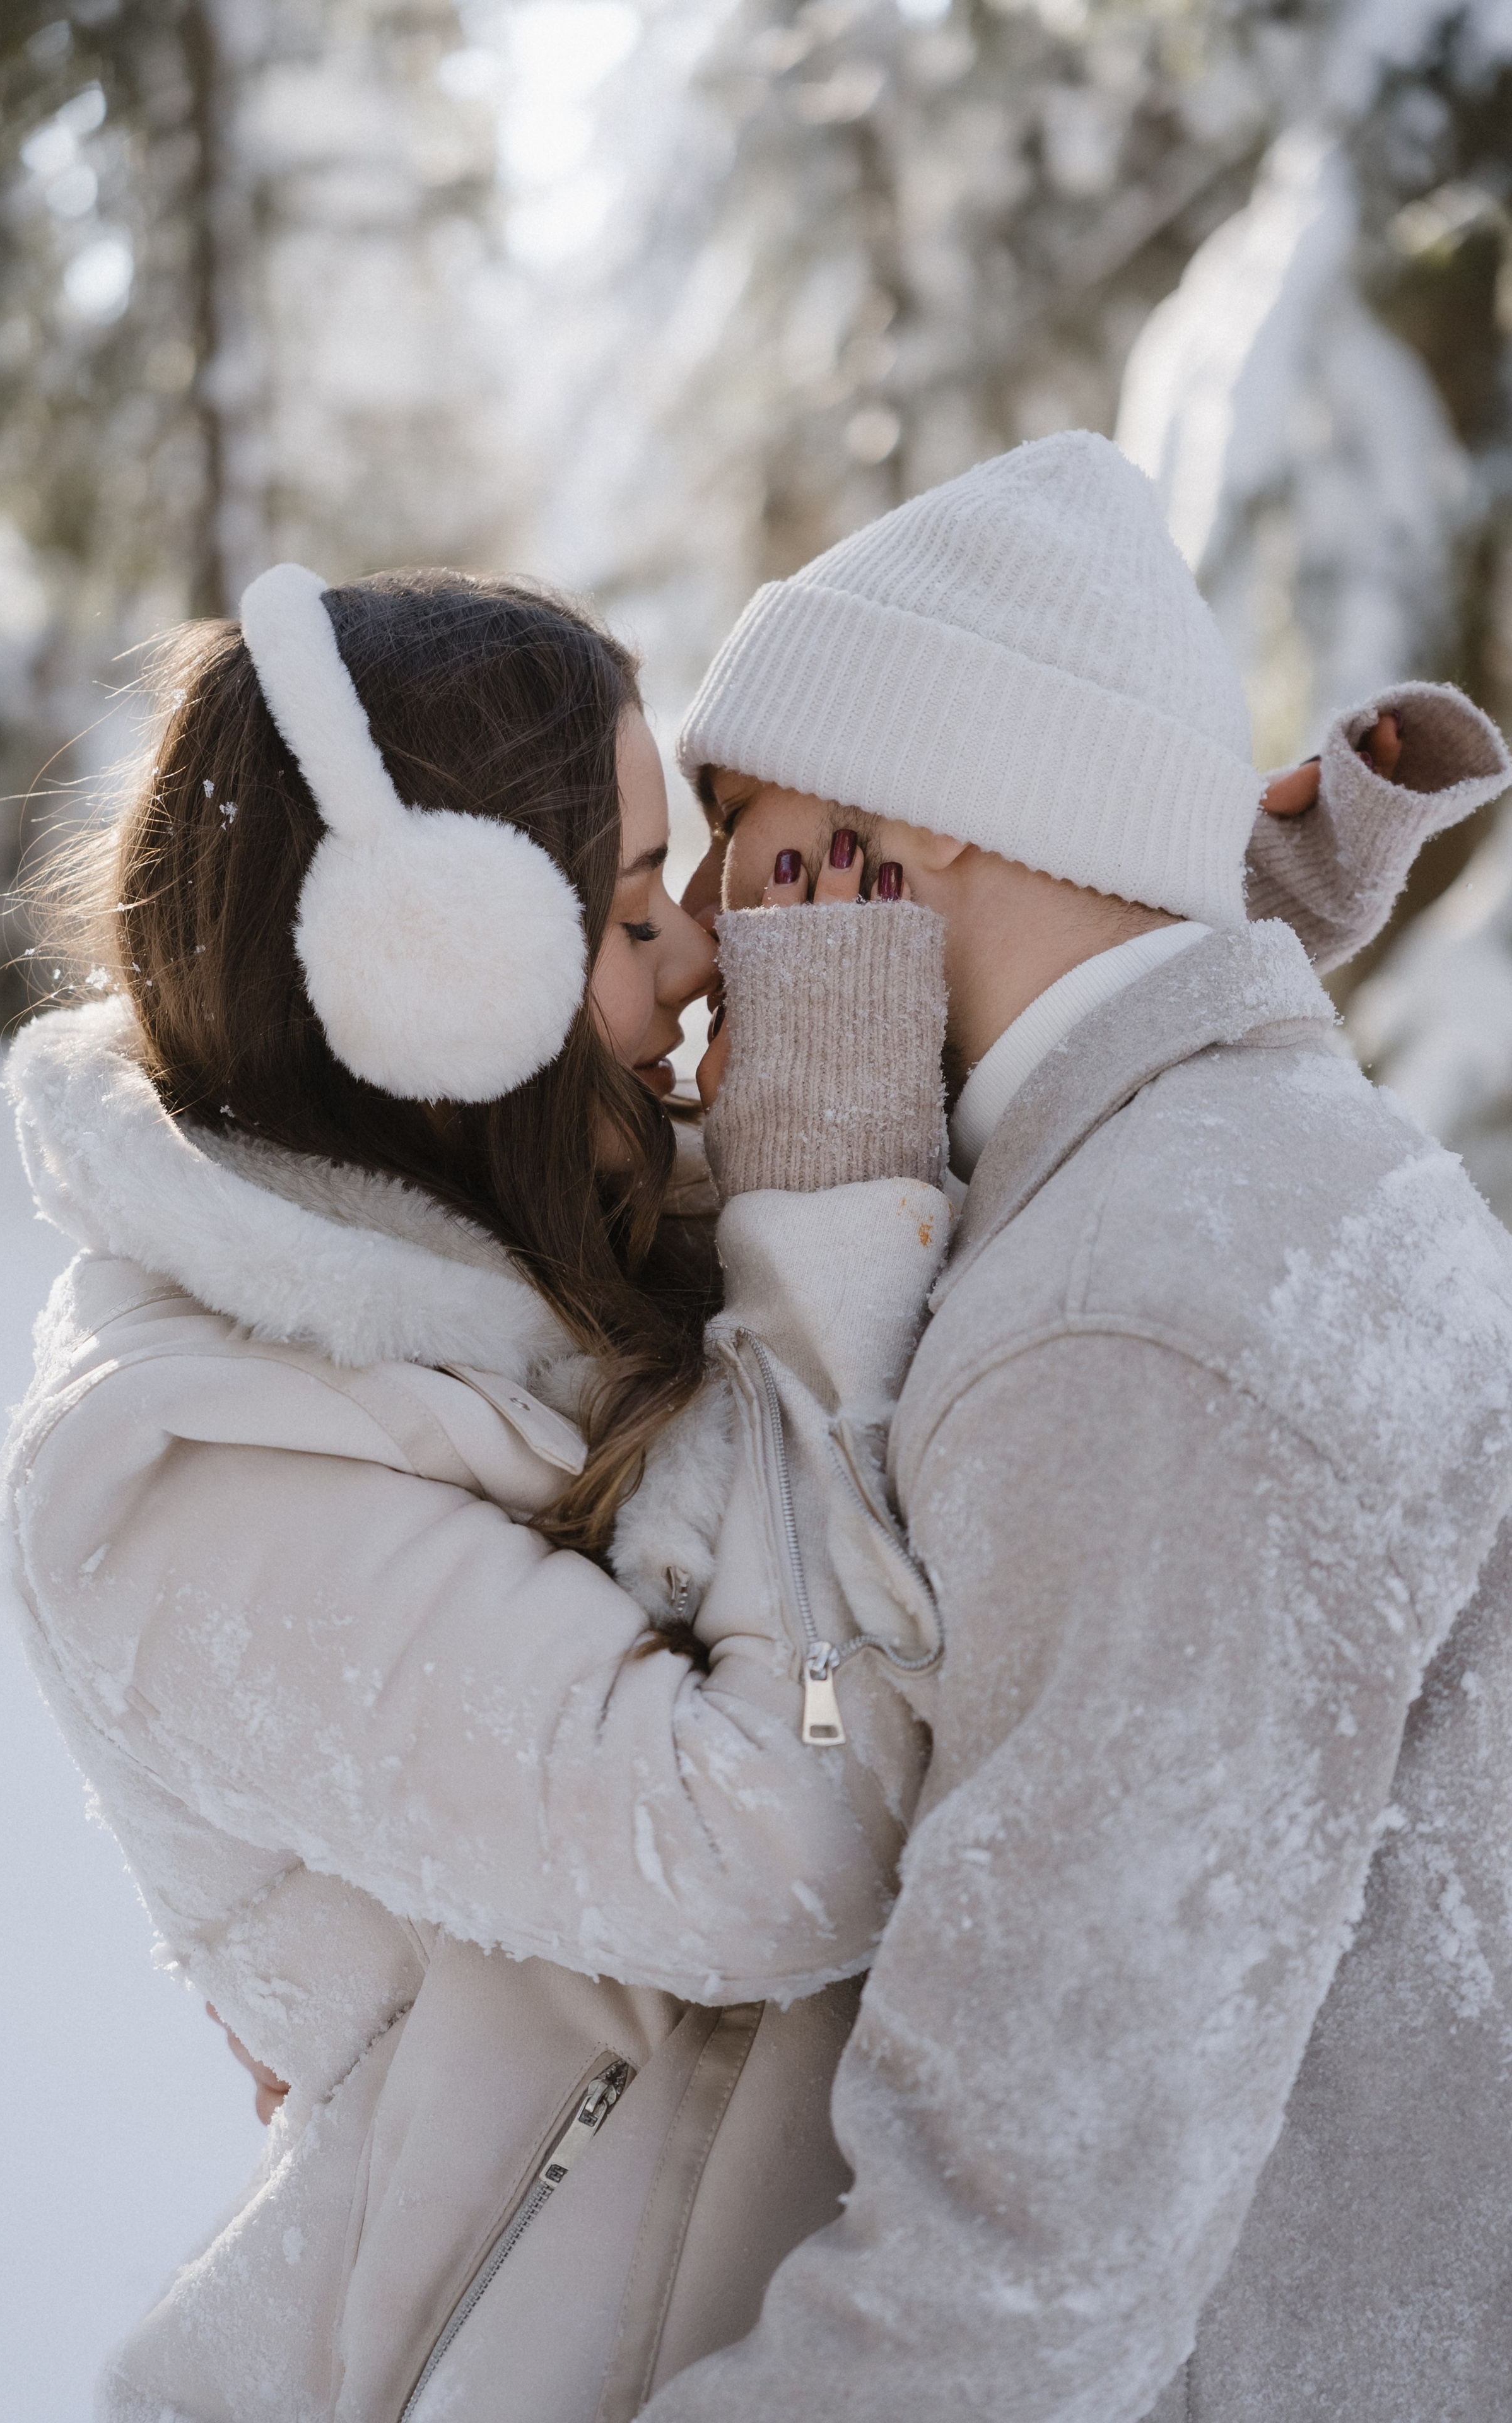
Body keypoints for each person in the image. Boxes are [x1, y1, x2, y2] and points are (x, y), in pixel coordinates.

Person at [3, 523, 1477, 2423]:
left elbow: (975, 1126)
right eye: (636, 913)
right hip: (503, 2357)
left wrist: (1192, 896)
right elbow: (777, 1835)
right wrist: (825, 1221)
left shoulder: (526, 1257)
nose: (710, 946)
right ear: (440, 992)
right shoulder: (185, 1483)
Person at [636, 429, 1512, 2423]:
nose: (700, 933)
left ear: (915, 824)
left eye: (743, 824)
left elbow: (1011, 2281)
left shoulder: (1132, 1323)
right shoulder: (1227, 1185)